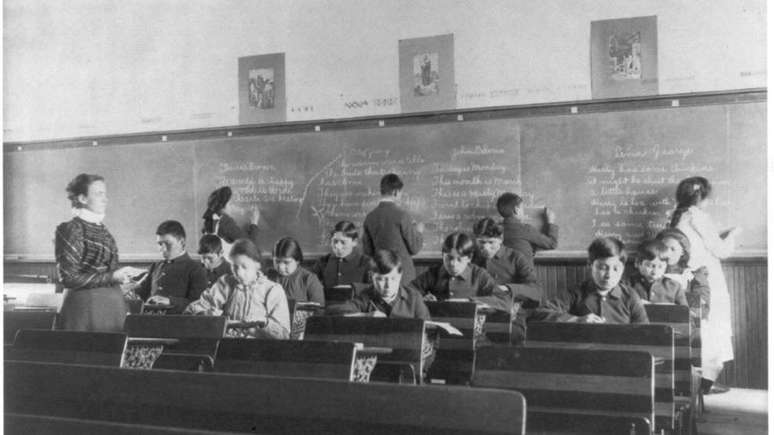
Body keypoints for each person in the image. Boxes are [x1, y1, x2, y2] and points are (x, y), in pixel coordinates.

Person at [670, 176, 740, 394]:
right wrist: (735, 234)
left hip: (689, 279)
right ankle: (705, 382)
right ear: (700, 197)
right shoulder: (698, 216)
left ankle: (700, 379)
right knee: (712, 327)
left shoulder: (678, 217)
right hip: (707, 279)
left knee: (701, 326)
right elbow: (722, 251)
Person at [55, 174, 145, 331]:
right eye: (99, 194)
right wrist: (113, 276)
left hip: (112, 309)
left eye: (105, 194)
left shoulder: (102, 229)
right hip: (85, 311)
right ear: (82, 198)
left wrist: (123, 280)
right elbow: (69, 278)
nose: (105, 199)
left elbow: (103, 273)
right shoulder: (72, 229)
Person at [185, 239, 290, 339]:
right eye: (234, 267)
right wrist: (205, 314)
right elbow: (193, 310)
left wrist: (264, 323)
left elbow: (284, 335)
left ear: (257, 265)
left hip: (258, 349)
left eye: (244, 267)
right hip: (225, 345)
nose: (239, 272)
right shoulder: (226, 283)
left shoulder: (272, 290)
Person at [538, 237, 648, 324]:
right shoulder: (576, 293)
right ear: (590, 265)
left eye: (616, 268)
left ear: (623, 268)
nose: (609, 275)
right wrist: (576, 320)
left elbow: (644, 332)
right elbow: (541, 312)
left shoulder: (630, 296)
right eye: (602, 268)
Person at [471, 217, 541, 343]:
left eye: (491, 242)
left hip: (510, 312)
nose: (486, 248)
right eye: (481, 242)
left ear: (501, 239)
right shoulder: (470, 257)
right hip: (478, 312)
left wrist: (509, 288)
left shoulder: (516, 257)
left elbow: (536, 291)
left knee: (512, 335)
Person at [409, 231, 510, 313]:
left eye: (459, 259)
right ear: (443, 255)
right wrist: (421, 300)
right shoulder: (433, 273)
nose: (453, 264)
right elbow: (408, 292)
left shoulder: (479, 275)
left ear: (469, 258)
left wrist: (471, 302)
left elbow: (505, 301)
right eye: (448, 258)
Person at [131, 220, 209, 314]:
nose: (162, 249)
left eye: (168, 244)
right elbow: (142, 294)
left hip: (177, 324)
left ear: (182, 242)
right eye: (159, 244)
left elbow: (199, 304)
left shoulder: (196, 268)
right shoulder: (156, 266)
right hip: (150, 321)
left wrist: (170, 301)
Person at [327, 249, 430, 319]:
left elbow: (428, 329)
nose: (388, 286)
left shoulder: (414, 298)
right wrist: (365, 316)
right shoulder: (365, 296)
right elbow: (332, 312)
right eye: (381, 279)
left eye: (393, 279)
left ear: (400, 275)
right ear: (372, 277)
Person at [362, 173, 424, 285]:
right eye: (401, 193)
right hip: (402, 275)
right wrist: (418, 231)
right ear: (396, 192)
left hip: (380, 274)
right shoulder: (402, 215)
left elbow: (368, 251)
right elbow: (414, 248)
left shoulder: (370, 217)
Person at [655, 228, 711, 319]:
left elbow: (702, 310)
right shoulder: (651, 274)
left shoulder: (693, 277)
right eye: (664, 248)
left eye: (673, 249)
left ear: (682, 252)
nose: (668, 254)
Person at [496, 192, 558, 265]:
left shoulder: (496, 230)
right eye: (522, 208)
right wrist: (551, 222)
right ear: (516, 209)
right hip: (524, 274)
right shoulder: (526, 229)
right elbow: (552, 244)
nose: (523, 211)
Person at [312, 221, 371, 292]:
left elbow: (373, 288)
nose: (338, 246)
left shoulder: (366, 262)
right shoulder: (323, 261)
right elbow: (311, 285)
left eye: (343, 242)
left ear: (354, 242)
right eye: (335, 241)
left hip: (355, 302)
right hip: (328, 302)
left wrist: (354, 288)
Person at [624, 239, 687, 306]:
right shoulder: (627, 285)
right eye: (649, 266)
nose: (655, 272)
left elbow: (685, 313)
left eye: (660, 267)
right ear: (637, 263)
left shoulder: (675, 287)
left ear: (665, 266)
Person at [267, 237, 325, 305]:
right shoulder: (268, 277)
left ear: (297, 261)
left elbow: (319, 309)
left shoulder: (309, 280)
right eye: (277, 261)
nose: (281, 267)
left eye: (286, 262)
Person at [201, 186, 260, 252]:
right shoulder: (225, 221)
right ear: (223, 206)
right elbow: (248, 245)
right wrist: (254, 223)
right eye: (230, 203)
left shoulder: (210, 218)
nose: (232, 207)